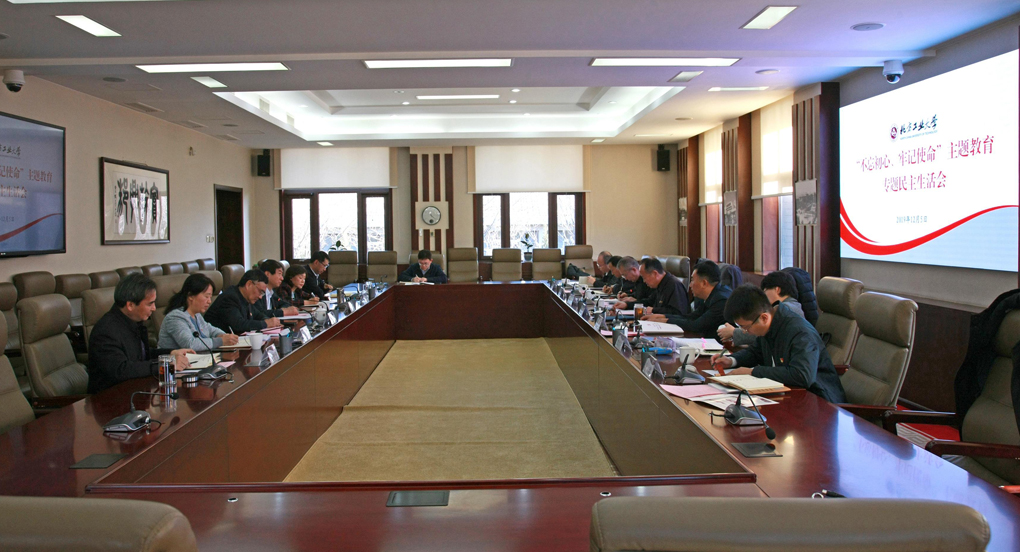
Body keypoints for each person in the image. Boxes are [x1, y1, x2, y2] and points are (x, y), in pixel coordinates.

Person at [712, 284, 846, 403]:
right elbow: (755, 352)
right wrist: (731, 360)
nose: (745, 332)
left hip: (819, 401)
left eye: (746, 327)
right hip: (788, 394)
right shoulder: (771, 325)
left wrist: (752, 372)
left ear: (764, 318)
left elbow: (802, 375)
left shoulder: (800, 332)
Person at [87, 274, 192, 394]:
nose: (154, 308)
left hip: (134, 391)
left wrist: (171, 353)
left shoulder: (132, 321)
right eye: (150, 304)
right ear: (130, 305)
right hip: (109, 398)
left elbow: (141, 354)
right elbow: (122, 370)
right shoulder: (106, 331)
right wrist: (166, 364)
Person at [643, 260, 730, 337]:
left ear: (704, 283)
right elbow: (692, 317)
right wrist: (662, 316)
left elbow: (697, 325)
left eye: (692, 280)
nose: (690, 285)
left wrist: (666, 320)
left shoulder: (721, 301)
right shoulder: (709, 296)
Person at [718, 270, 803, 347]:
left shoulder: (788, 309)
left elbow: (764, 331)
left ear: (777, 289)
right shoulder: (786, 307)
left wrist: (734, 332)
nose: (764, 295)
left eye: (765, 291)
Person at [158, 273, 240, 351]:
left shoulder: (196, 314)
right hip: (175, 360)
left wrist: (223, 335)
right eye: (206, 296)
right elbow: (190, 344)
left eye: (210, 297)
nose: (209, 301)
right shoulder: (175, 317)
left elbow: (210, 329)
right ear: (190, 296)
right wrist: (221, 341)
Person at [205, 269, 282, 334]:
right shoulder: (230, 298)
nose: (260, 297)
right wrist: (266, 324)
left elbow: (258, 314)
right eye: (260, 292)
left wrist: (269, 321)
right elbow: (239, 325)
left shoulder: (245, 297)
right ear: (249, 284)